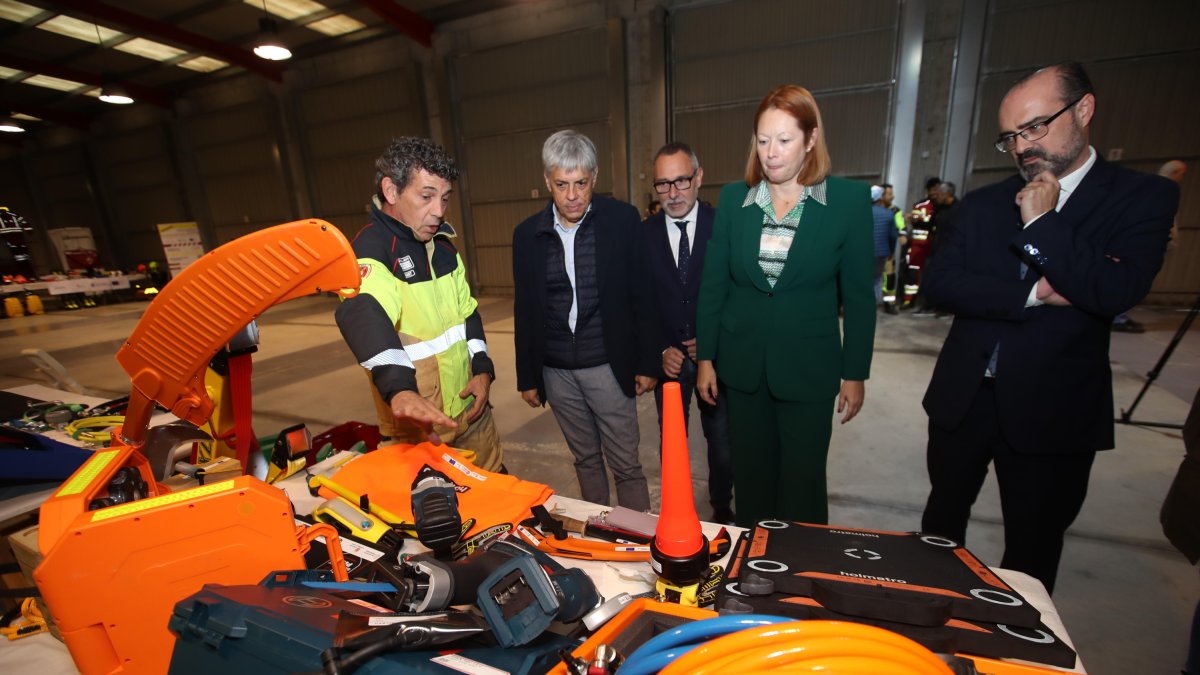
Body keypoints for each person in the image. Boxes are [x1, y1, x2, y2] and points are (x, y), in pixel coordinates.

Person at [919, 62, 1179, 593]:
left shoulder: (1142, 197)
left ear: (1083, 109)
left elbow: (1113, 291)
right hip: (963, 398)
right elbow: (941, 285)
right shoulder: (983, 202)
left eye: (1035, 127)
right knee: (939, 533)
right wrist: (1034, 293)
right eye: (1011, 136)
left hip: (1053, 409)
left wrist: (1042, 222)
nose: (1021, 146)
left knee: (1032, 549)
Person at [695, 84, 876, 527]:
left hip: (809, 370)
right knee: (753, 481)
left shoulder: (848, 203)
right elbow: (714, 286)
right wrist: (706, 357)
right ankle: (756, 573)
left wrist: (855, 372)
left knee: (802, 483)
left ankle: (802, 576)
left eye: (784, 140)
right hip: (744, 369)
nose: (770, 153)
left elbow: (857, 297)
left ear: (811, 139)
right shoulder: (737, 200)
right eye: (762, 140)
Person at [335, 137, 502, 471]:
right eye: (426, 196)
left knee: (497, 497)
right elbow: (364, 311)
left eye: (444, 198)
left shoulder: (443, 249)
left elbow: (468, 315)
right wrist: (400, 391)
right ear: (391, 190)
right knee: (436, 517)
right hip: (418, 426)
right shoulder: (370, 251)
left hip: (472, 414)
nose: (439, 211)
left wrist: (483, 370)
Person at [512, 129, 658, 511]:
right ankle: (598, 535)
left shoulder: (622, 221)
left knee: (626, 464)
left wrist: (647, 362)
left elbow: (643, 294)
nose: (572, 195)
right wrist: (528, 375)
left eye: (581, 183)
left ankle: (637, 539)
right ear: (547, 181)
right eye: (561, 185)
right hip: (557, 372)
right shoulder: (527, 235)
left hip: (608, 365)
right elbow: (525, 308)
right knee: (586, 460)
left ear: (594, 176)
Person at [644, 142, 734, 524]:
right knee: (673, 447)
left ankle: (721, 509)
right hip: (671, 364)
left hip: (715, 360)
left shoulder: (725, 226)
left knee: (723, 446)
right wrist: (659, 349)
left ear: (698, 177)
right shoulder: (643, 234)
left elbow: (740, 294)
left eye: (681, 180)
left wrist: (715, 340)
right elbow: (639, 301)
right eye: (663, 185)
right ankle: (678, 511)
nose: (673, 193)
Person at [871, 184, 899, 311]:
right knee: (878, 279)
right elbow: (893, 236)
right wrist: (891, 251)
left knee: (865, 278)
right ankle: (875, 304)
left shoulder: (862, 212)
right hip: (882, 253)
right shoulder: (889, 214)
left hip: (865, 252)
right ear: (880, 198)